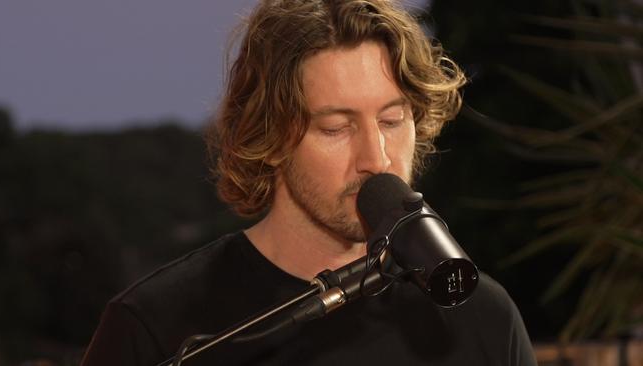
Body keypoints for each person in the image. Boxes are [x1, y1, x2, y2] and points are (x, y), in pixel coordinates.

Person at [81, 0, 537, 365]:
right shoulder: (153, 328)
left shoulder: (483, 318)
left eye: (392, 120)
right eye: (336, 128)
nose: (376, 159)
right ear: (271, 138)